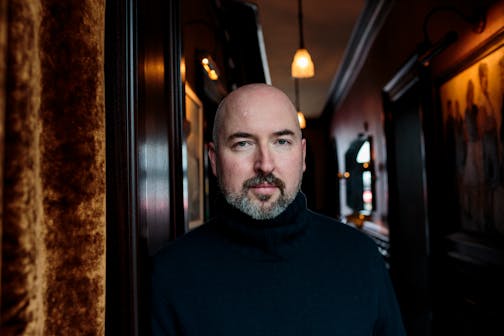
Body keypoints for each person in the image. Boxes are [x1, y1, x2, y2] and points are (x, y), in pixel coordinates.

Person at [151, 83, 406, 335]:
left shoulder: (360, 257)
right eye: (243, 143)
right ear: (214, 159)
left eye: (281, 142)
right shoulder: (171, 274)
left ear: (303, 156)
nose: (265, 164)